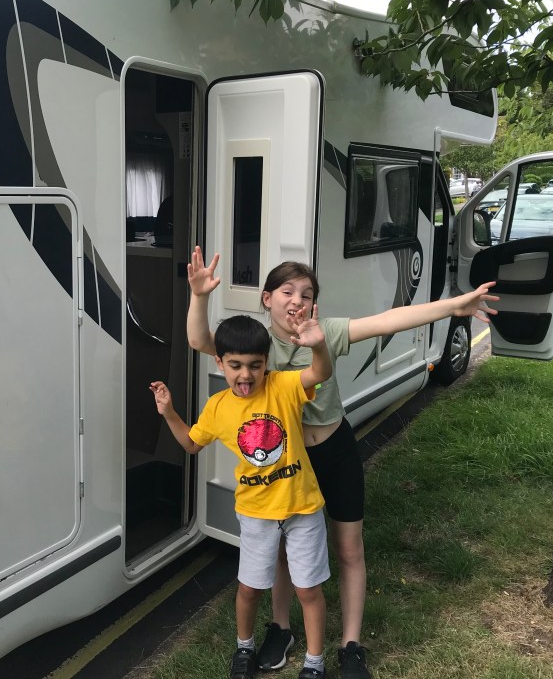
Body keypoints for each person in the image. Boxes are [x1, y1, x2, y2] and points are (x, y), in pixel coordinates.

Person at [186, 247, 499, 679]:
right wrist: (199, 295)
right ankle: (280, 628)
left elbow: (389, 321)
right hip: (290, 460)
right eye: (286, 291)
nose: (297, 300)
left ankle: (350, 645)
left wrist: (455, 305)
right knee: (278, 551)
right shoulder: (255, 344)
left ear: (316, 305)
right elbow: (201, 341)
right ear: (266, 299)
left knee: (349, 548)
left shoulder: (326, 331)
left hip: (334, 449)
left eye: (307, 293)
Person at [151, 313, 334, 679]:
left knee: (308, 589)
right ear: (219, 362)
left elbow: (321, 373)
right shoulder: (218, 407)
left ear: (267, 363)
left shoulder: (283, 386)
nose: (246, 375)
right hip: (255, 512)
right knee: (249, 588)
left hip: (303, 507)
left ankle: (315, 663)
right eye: (235, 365)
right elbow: (190, 443)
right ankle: (244, 648)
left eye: (255, 365)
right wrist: (169, 412)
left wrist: (318, 345)